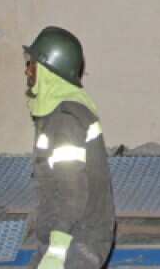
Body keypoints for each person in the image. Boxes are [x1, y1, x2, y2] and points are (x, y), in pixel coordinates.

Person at [24, 26, 115, 269]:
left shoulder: (66, 120)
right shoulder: (55, 115)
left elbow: (71, 190)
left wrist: (58, 247)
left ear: (49, 70)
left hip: (78, 238)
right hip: (66, 235)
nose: (27, 71)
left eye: (32, 64)